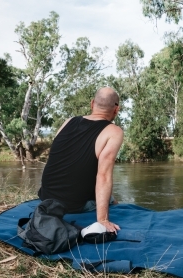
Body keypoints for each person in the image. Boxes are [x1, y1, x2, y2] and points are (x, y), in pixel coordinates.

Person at [38, 87, 123, 233]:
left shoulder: (68, 122)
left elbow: (56, 158)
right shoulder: (114, 131)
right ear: (116, 109)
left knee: (111, 198)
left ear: (92, 104)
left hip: (46, 197)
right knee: (111, 200)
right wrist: (102, 220)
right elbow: (103, 176)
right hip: (72, 206)